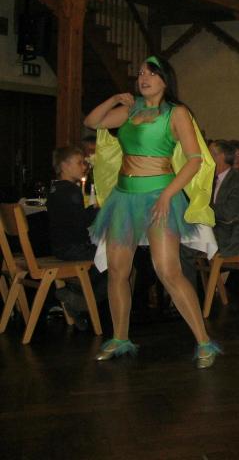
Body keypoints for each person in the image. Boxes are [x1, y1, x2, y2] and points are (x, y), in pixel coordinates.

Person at [84, 55, 220, 368]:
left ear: (164, 80)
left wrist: (168, 195)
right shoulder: (129, 110)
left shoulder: (176, 112)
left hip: (161, 195)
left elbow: (194, 160)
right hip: (124, 197)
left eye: (151, 73)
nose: (143, 78)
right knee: (117, 271)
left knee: (168, 271)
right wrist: (113, 100)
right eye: (141, 73)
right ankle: (119, 338)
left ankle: (204, 341)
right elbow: (92, 122)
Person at [47, 146, 107, 329]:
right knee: (115, 260)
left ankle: (77, 295)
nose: (84, 166)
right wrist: (99, 211)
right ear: (64, 165)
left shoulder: (54, 188)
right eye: (79, 163)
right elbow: (80, 222)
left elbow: (72, 217)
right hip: (74, 248)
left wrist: (90, 211)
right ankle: (83, 301)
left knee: (105, 256)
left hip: (59, 247)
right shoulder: (71, 191)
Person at [209, 140, 239, 257]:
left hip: (229, 237)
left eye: (209, 154)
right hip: (212, 232)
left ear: (221, 157)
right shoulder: (210, 179)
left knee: (183, 246)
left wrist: (204, 209)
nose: (205, 157)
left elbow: (228, 213)